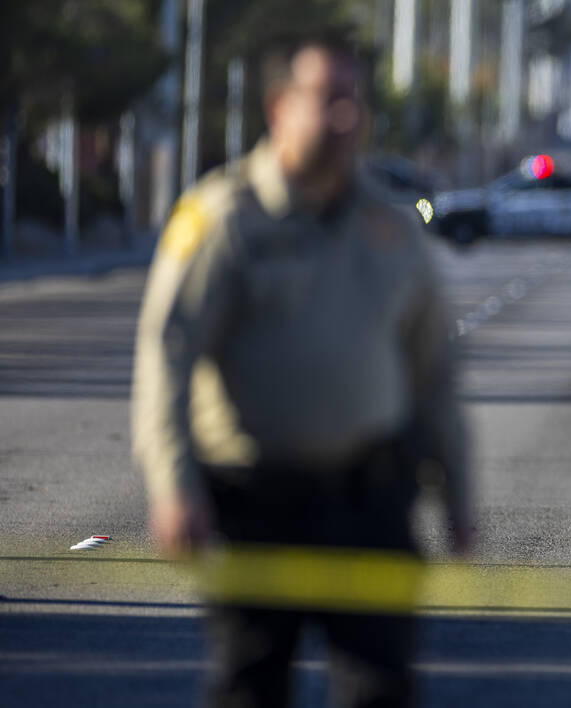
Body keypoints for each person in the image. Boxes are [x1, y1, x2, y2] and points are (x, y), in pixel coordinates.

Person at [132, 31, 471, 706]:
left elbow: (434, 372)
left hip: (370, 500)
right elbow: (167, 358)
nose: (346, 116)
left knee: (381, 689)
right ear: (278, 107)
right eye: (327, 99)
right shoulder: (223, 219)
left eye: (354, 100)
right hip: (255, 503)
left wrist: (457, 495)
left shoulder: (391, 227)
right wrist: (174, 487)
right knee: (250, 688)